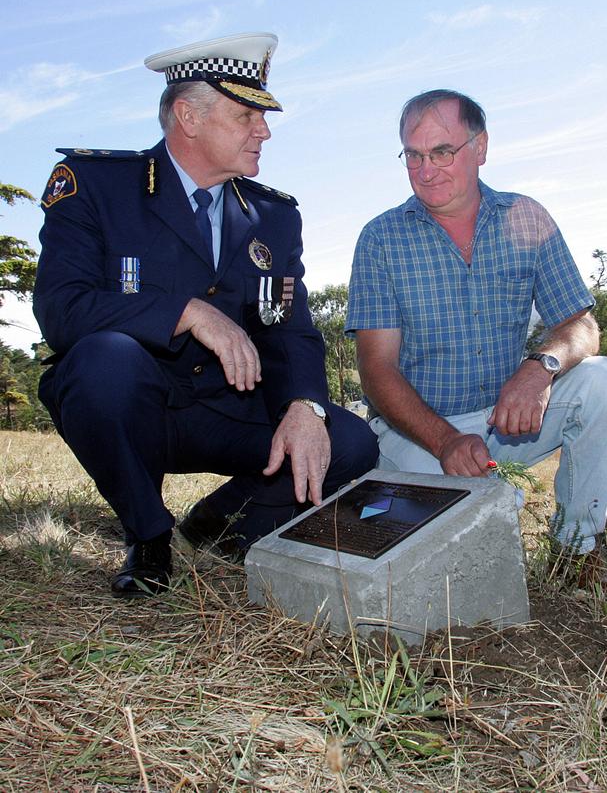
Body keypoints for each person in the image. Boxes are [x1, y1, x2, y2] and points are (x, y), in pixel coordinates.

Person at [33, 33, 378, 599]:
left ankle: (219, 526)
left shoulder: (272, 216)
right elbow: (61, 309)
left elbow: (289, 328)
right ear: (188, 117)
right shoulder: (98, 186)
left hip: (229, 408)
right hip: (133, 401)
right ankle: (149, 536)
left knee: (350, 443)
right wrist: (185, 311)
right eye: (245, 115)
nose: (263, 130)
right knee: (102, 361)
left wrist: (304, 405)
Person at [346, 89, 607, 564]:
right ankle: (463, 504)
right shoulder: (382, 238)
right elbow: (376, 370)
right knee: (473, 549)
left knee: (606, 379)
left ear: (480, 148)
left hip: (509, 418)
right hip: (419, 433)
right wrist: (445, 441)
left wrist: (540, 368)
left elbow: (580, 325)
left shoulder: (527, 217)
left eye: (441, 151)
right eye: (413, 155)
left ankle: (576, 551)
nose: (425, 169)